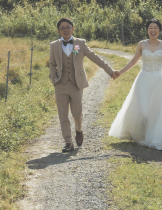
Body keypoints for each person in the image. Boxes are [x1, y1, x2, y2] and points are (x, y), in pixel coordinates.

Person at [108, 19, 162, 153]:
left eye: (155, 28)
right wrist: (120, 72)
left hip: (159, 80)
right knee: (142, 108)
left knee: (157, 109)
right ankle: (141, 135)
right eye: (150, 28)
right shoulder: (142, 44)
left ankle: (155, 136)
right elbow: (133, 61)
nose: (153, 30)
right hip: (143, 78)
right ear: (147, 30)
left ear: (159, 30)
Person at [49, 17, 117, 153]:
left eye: (68, 27)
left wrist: (110, 71)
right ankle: (68, 142)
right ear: (59, 31)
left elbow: (95, 57)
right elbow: (52, 64)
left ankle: (78, 130)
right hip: (60, 85)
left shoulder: (79, 43)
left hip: (76, 84)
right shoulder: (54, 45)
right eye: (62, 28)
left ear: (72, 29)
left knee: (77, 114)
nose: (65, 30)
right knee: (63, 115)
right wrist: (54, 79)